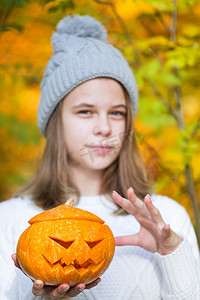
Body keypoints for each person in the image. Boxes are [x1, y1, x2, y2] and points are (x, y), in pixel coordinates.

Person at [0, 14, 199, 300]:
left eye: (116, 112)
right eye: (85, 111)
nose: (105, 128)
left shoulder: (167, 219)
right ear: (56, 120)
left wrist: (172, 255)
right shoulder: (8, 220)